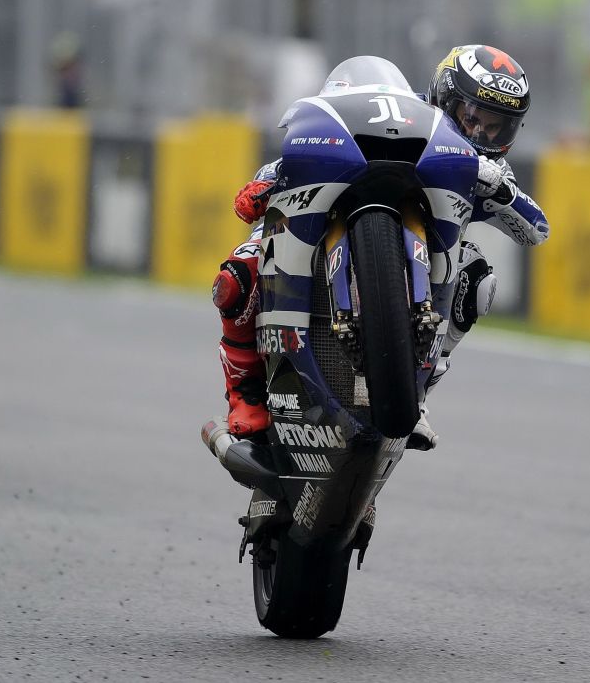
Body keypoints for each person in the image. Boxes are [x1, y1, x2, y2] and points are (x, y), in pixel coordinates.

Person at [212, 45, 549, 451]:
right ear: (443, 96)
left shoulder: (489, 165)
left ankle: (419, 386)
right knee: (238, 273)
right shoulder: (404, 116)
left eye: (498, 127)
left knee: (477, 277)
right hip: (330, 215)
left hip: (425, 260)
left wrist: (502, 189)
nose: (481, 134)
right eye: (473, 117)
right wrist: (269, 177)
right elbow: (310, 151)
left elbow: (537, 230)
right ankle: (244, 391)